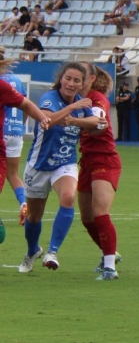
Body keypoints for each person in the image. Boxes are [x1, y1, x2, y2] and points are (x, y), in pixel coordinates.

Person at [19, 62, 100, 273]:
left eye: (77, 81)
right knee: (34, 217)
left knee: (68, 198)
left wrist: (75, 120)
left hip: (64, 164)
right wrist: (72, 109)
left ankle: (52, 252)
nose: (71, 84)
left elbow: (95, 122)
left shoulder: (83, 104)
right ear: (60, 79)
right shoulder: (49, 98)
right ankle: (32, 251)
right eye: (68, 78)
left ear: (82, 84)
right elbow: (46, 120)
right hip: (38, 165)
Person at [77, 64, 122, 280]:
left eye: (80, 75)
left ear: (91, 78)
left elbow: (98, 125)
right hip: (86, 161)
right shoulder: (75, 100)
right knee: (87, 218)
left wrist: (73, 121)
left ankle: (110, 267)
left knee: (100, 212)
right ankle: (110, 253)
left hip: (104, 158)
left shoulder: (97, 99)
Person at [0, 56, 50, 237]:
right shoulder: (15, 81)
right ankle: (23, 203)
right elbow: (25, 106)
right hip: (15, 132)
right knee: (12, 174)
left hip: (2, 133)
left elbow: (25, 104)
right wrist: (24, 125)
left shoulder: (2, 85)